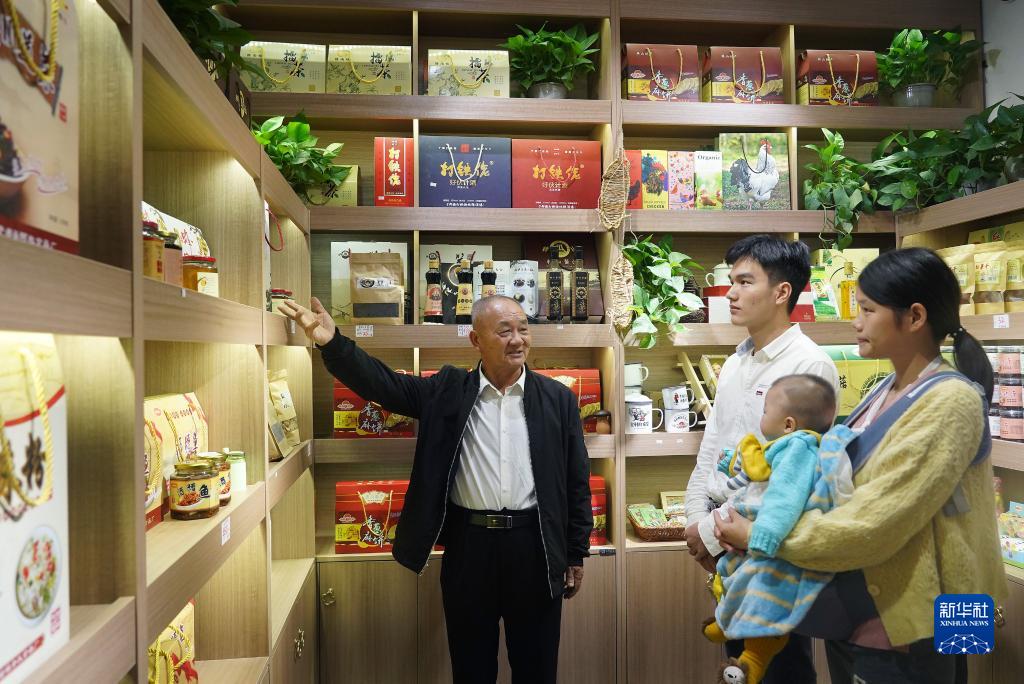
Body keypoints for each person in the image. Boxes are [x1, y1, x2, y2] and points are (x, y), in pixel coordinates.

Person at [715, 247, 1008, 684]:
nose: (856, 322)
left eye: (868, 310)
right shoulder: (889, 387)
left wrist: (761, 536)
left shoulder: (952, 401)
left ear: (915, 317)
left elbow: (877, 522)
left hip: (915, 622)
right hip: (868, 614)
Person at [279, 294, 592, 684]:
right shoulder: (448, 390)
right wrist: (332, 342)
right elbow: (384, 384)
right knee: (471, 669)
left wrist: (576, 551)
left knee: (537, 669)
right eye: (504, 331)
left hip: (536, 547)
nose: (518, 340)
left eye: (523, 329)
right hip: (469, 549)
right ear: (476, 340)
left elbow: (576, 479)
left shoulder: (558, 399)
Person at [683, 234, 839, 683]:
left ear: (782, 291)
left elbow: (791, 480)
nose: (730, 293)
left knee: (779, 666)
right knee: (740, 665)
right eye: (731, 281)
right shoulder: (735, 362)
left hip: (766, 547)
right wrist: (695, 520)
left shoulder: (809, 366)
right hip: (724, 537)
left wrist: (711, 534)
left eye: (744, 282)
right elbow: (712, 448)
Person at [701, 374, 849, 684]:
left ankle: (753, 657)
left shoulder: (798, 449)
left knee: (762, 593)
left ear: (788, 424)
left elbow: (785, 498)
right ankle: (728, 620)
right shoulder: (783, 446)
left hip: (767, 539)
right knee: (736, 576)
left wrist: (761, 536)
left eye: (766, 410)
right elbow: (757, 473)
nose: (762, 415)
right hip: (750, 531)